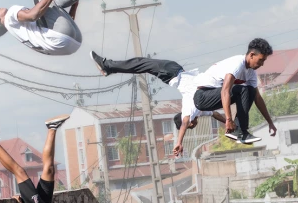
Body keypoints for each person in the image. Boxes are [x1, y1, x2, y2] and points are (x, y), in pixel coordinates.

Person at [89, 52, 229, 142]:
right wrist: (228, 121)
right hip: (175, 71)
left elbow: (185, 124)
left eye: (191, 126)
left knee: (140, 63)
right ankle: (108, 67)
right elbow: (215, 114)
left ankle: (108, 66)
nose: (194, 125)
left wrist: (179, 142)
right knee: (140, 63)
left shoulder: (190, 109)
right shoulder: (199, 110)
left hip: (170, 73)